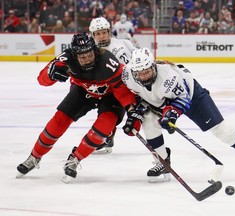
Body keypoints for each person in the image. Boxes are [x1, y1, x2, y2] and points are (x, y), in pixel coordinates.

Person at [121, 47, 235, 182]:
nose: (144, 76)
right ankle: (163, 162)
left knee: (222, 131)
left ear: (154, 66)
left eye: (147, 71)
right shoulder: (127, 76)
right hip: (159, 100)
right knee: (148, 122)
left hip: (191, 96)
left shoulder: (168, 76)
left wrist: (171, 114)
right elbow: (133, 95)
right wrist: (135, 112)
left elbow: (183, 98)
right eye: (139, 73)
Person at [16, 33, 141, 183]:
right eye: (82, 56)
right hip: (83, 91)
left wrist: (132, 111)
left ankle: (75, 159)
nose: (87, 59)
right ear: (74, 55)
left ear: (95, 50)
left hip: (110, 95)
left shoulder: (108, 62)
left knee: (103, 128)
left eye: (89, 54)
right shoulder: (65, 59)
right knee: (59, 120)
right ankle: (34, 157)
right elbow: (41, 80)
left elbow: (122, 91)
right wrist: (50, 75)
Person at [89, 16, 137, 153]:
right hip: (113, 90)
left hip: (134, 86)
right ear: (93, 35)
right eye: (98, 34)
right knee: (107, 111)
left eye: (104, 32)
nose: (102, 36)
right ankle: (108, 136)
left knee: (143, 118)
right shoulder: (92, 53)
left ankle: (158, 150)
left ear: (109, 32)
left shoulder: (124, 43)